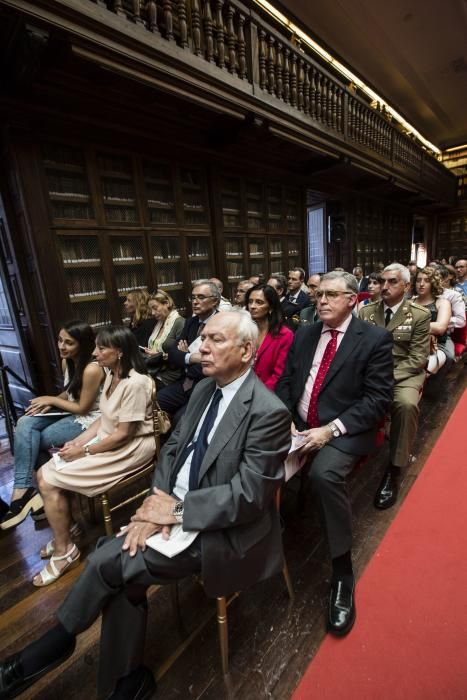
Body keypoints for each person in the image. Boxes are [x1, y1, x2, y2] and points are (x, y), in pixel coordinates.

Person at [0, 312, 291, 700]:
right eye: (203, 337)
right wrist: (155, 502)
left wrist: (175, 512)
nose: (202, 346)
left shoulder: (268, 411)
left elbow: (250, 496)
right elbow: (170, 450)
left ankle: (57, 642)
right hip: (170, 510)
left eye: (215, 340)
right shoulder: (204, 389)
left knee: (107, 556)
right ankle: (125, 683)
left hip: (223, 529)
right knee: (126, 579)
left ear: (246, 351)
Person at [276, 271, 393, 636]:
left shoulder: (374, 339)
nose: (321, 300)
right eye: (318, 295)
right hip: (298, 424)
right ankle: (250, 537)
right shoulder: (306, 334)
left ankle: (342, 570)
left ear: (352, 300)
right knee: (250, 456)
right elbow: (286, 381)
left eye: (330, 295)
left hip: (342, 429)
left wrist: (330, 430)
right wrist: (285, 418)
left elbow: (377, 401)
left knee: (323, 475)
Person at [32, 326, 156, 587]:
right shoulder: (112, 374)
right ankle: (66, 531)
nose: (95, 353)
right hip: (109, 440)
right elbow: (103, 420)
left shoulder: (136, 383)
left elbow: (123, 434)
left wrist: (85, 451)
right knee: (47, 470)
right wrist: (77, 441)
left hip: (130, 448)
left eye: (101, 348)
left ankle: (65, 551)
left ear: (119, 352)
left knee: (47, 478)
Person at [0, 320, 104, 531]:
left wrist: (51, 400)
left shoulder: (93, 368)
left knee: (34, 440)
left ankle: (43, 496)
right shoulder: (69, 361)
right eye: (60, 340)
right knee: (25, 422)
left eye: (69, 343)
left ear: (82, 345)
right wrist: (50, 402)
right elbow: (70, 391)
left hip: (91, 418)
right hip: (71, 410)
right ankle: (28, 492)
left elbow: (83, 407)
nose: (61, 346)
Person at [359, 263, 431, 510]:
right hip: (371, 373)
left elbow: (417, 359)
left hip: (404, 373)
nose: (384, 286)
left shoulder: (420, 315)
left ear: (407, 286)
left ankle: (395, 468)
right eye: (382, 281)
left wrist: (384, 379)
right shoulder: (366, 312)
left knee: (406, 404)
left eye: (392, 282)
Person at [157, 280, 220, 422]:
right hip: (185, 382)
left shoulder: (222, 324)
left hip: (208, 384)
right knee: (155, 402)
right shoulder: (191, 322)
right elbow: (173, 354)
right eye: (193, 297)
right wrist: (192, 358)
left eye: (201, 297)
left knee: (181, 419)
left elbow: (214, 362)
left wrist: (184, 358)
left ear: (215, 301)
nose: (195, 302)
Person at [246, 284, 293, 391]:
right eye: (250, 301)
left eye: (259, 302)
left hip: (267, 394)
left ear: (271, 307)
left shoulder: (284, 335)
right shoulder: (245, 330)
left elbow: (279, 375)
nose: (252, 306)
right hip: (242, 389)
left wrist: (259, 394)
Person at [140, 291, 184, 389]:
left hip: (171, 374)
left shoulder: (180, 323)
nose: (152, 313)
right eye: (151, 309)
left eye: (155, 308)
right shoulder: (159, 323)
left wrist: (159, 356)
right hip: (156, 369)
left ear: (166, 303)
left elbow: (182, 354)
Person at [412, 267, 452, 374]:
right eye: (418, 280)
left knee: (447, 357)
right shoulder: (409, 302)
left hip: (437, 343)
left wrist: (409, 326)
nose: (421, 284)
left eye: (427, 280)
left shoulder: (442, 302)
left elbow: (440, 328)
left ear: (433, 283)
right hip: (411, 343)